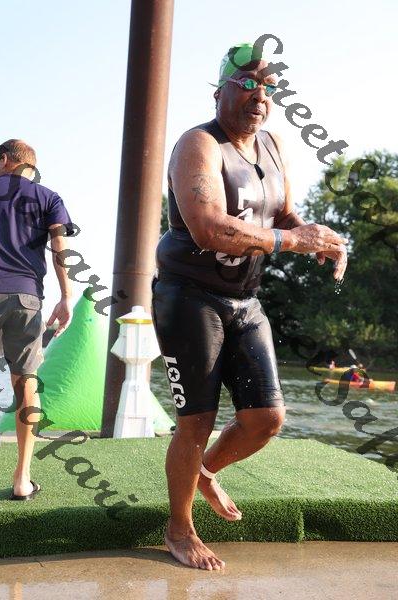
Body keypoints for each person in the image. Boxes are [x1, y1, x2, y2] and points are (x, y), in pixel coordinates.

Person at [151, 43, 348, 571]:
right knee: (196, 420)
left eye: (269, 86)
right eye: (247, 82)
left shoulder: (273, 146)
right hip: (188, 295)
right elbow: (208, 227)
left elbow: (282, 215)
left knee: (266, 418)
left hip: (244, 297)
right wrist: (292, 242)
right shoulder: (199, 144)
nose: (260, 94)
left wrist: (317, 236)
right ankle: (179, 529)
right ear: (220, 91)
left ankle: (206, 473)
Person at [0, 139, 73, 500]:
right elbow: (60, 250)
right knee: (25, 383)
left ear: (4, 160)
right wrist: (67, 296)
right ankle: (22, 479)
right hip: (26, 297)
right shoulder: (48, 197)